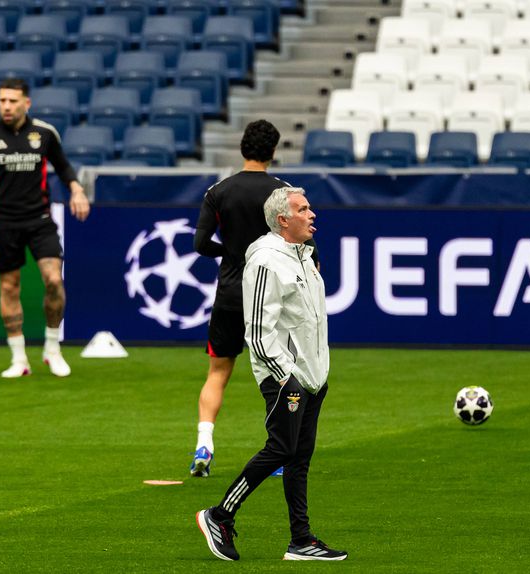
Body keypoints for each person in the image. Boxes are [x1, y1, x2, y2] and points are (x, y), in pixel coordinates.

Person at [196, 186, 346, 562]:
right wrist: (285, 375)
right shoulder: (265, 261)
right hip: (285, 377)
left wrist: (318, 371)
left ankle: (301, 540)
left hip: (313, 375)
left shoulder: (305, 256)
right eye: (303, 209)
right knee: (280, 449)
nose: (312, 214)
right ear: (283, 219)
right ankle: (219, 515)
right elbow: (258, 330)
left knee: (298, 457)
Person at [189, 119, 306, 478]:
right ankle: (277, 455)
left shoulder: (218, 191)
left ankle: (203, 445)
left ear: (243, 148)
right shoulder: (283, 194)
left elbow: (199, 244)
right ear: (273, 152)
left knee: (217, 373)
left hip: (229, 294)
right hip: (270, 297)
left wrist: (230, 252)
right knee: (280, 374)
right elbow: (304, 242)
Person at [0, 78, 90, 378]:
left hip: (40, 221)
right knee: (9, 286)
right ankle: (19, 359)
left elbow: (63, 166)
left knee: (53, 281)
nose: (6, 106)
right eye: (2, 101)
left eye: (12, 101)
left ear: (26, 103)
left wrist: (77, 190)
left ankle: (51, 348)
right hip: (4, 223)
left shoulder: (44, 134)